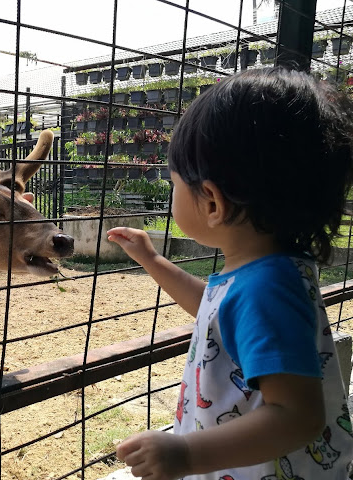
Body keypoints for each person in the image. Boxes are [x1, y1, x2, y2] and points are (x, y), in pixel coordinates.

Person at [108, 67, 353, 480]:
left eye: (173, 185)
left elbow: (297, 416)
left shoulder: (266, 288)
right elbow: (215, 310)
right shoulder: (264, 271)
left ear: (212, 202)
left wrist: (185, 453)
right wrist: (153, 262)